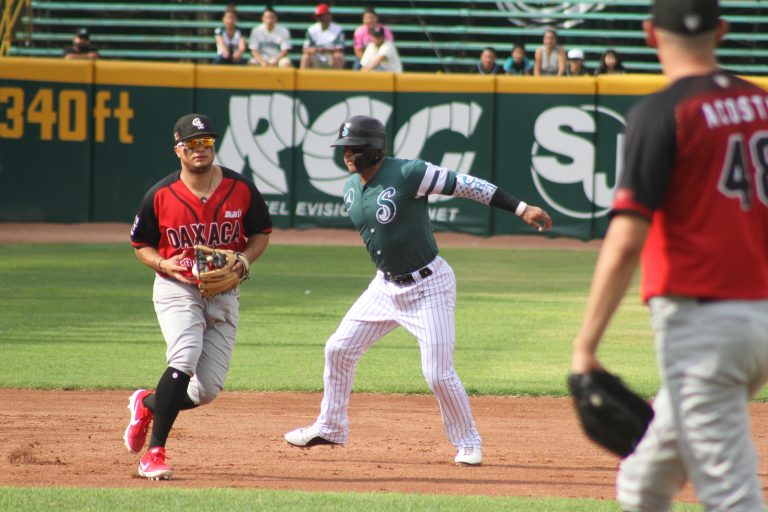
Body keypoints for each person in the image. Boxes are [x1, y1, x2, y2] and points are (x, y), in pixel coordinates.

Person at [570, 0, 768, 510]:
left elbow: (626, 239)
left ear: (649, 34)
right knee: (644, 480)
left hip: (703, 330)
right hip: (759, 319)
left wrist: (585, 346)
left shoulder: (661, 112)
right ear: (722, 31)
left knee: (731, 495)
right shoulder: (762, 103)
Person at [284, 115, 553, 466]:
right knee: (338, 349)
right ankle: (331, 426)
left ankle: (468, 442)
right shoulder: (351, 187)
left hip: (429, 286)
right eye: (344, 148)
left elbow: (465, 184)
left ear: (376, 148)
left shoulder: (409, 173)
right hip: (384, 288)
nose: (347, 154)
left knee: (437, 373)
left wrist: (521, 208)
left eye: (355, 148)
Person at [125, 113, 272, 480]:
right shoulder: (159, 195)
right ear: (178, 150)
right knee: (185, 355)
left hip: (224, 292)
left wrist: (244, 259)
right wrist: (162, 263)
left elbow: (261, 233)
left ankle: (146, 403)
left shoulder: (241, 189)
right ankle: (154, 454)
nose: (199, 149)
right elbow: (140, 244)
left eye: (205, 142)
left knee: (205, 391)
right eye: (191, 143)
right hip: (178, 287)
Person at [301, 3, 344, 69]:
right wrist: (313, 50)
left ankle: (339, 78)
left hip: (331, 58)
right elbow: (305, 49)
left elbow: (340, 49)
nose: (321, 19)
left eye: (322, 16)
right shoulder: (311, 29)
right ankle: (303, 79)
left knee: (338, 56)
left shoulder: (337, 29)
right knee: (305, 57)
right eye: (318, 16)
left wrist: (326, 50)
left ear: (329, 15)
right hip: (316, 58)